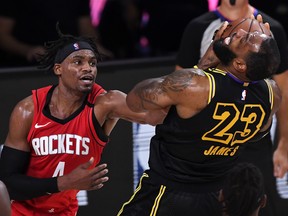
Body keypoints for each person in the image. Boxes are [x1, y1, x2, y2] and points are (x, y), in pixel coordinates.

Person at [117, 19, 281, 215]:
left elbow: (134, 100)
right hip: (217, 198)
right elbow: (258, 134)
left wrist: (206, 61)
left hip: (167, 193)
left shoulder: (197, 85)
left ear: (239, 64)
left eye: (243, 40)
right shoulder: (272, 94)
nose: (237, 34)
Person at [0, 26, 166, 215]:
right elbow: (8, 182)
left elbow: (151, 116)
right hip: (19, 210)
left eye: (92, 63)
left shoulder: (105, 102)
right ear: (58, 69)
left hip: (64, 210)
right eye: (78, 62)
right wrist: (65, 182)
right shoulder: (28, 110)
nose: (87, 68)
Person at [176, 1, 288, 215]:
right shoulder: (198, 27)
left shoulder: (272, 28)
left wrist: (284, 144)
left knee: (257, 204)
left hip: (251, 135)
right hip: (210, 137)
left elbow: (284, 90)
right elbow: (180, 87)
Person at [0, 0, 112, 67]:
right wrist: (27, 50)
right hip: (26, 69)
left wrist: (95, 47)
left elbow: (85, 28)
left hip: (71, 65)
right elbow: (2, 35)